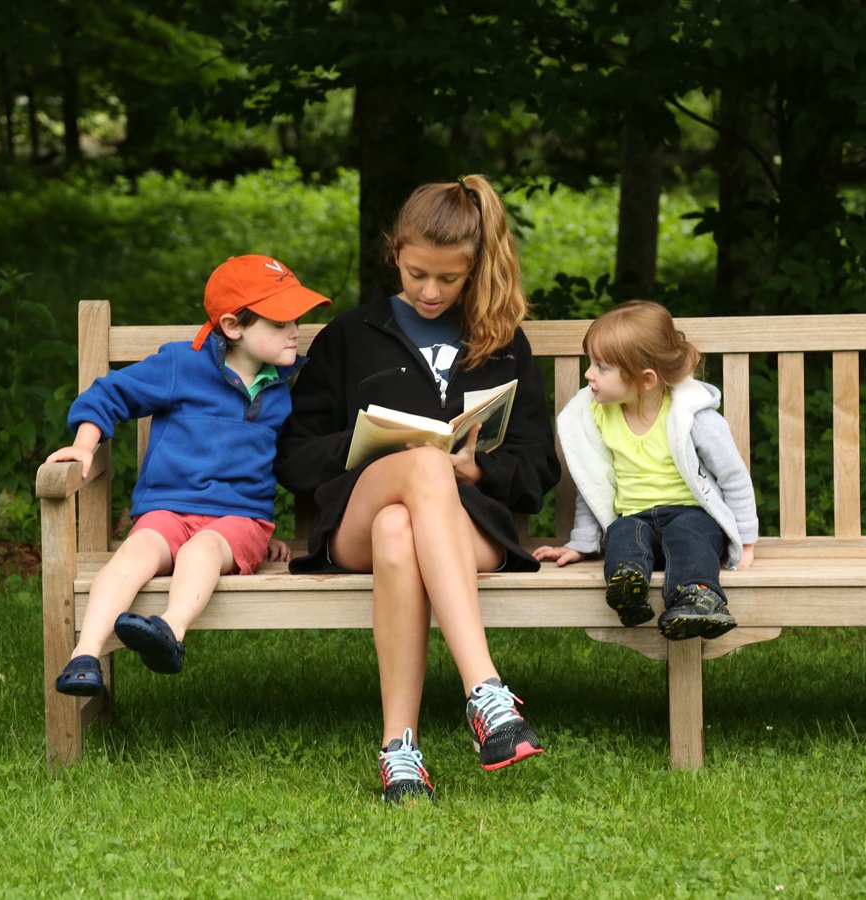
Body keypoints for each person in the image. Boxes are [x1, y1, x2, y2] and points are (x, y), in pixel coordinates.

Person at [274, 175, 560, 804]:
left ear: (473, 269)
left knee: (400, 527)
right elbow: (294, 457)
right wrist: (368, 446)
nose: (431, 291)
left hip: (468, 527)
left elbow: (539, 465)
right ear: (394, 253)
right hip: (354, 520)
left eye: (449, 279)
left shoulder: (501, 342)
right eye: (417, 274)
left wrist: (480, 471)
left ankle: (399, 754)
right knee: (418, 473)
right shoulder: (349, 335)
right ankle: (485, 692)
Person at [50, 255, 331, 695]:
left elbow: (286, 460)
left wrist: (262, 537)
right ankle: (84, 656)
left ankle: (170, 632)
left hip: (239, 522)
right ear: (233, 326)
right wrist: (85, 444)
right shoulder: (182, 366)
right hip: (168, 511)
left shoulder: (284, 385)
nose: (295, 331)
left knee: (202, 549)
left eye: (296, 320)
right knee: (135, 551)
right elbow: (110, 393)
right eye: (280, 323)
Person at [533, 300, 758, 640]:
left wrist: (746, 543)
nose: (589, 374)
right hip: (635, 518)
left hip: (691, 515)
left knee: (688, 535)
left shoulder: (693, 418)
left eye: (602, 367)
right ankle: (629, 589)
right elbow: (592, 484)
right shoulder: (598, 416)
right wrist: (582, 543)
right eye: (590, 363)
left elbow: (734, 478)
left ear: (646, 379)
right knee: (623, 534)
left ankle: (699, 598)